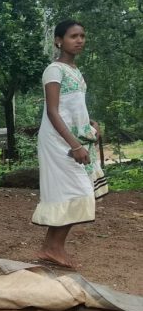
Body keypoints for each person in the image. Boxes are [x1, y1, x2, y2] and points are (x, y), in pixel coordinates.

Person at [32, 20, 108, 268]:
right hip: (58, 141)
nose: (80, 40)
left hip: (73, 138)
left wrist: (90, 123)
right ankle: (51, 248)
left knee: (75, 192)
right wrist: (75, 145)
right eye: (74, 36)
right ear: (58, 40)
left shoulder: (75, 70)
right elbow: (53, 112)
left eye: (83, 36)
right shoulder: (54, 70)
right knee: (76, 191)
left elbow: (73, 107)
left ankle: (51, 248)